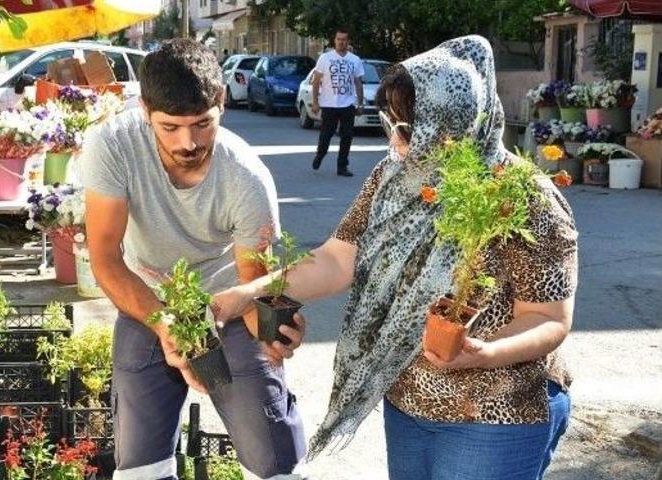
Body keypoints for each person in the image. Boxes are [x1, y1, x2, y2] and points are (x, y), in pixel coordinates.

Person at [213, 35, 577, 480]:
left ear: (451, 125)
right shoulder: (393, 177)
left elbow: (547, 317)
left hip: (497, 413)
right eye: (390, 123)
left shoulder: (523, 196)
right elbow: (336, 260)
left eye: (404, 128)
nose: (395, 141)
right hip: (408, 402)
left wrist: (485, 353)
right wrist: (250, 292)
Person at [79, 38, 308, 480]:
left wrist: (274, 334)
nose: (188, 142)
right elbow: (106, 259)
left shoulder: (247, 178)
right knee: (139, 464)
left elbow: (252, 280)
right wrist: (165, 325)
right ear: (145, 110)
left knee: (273, 457)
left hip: (228, 304)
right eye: (170, 127)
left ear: (221, 101)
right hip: (148, 297)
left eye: (203, 123)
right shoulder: (112, 146)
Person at [310, 28, 364, 177]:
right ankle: (320, 154)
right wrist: (315, 102)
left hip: (348, 104)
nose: (341, 42)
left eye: (344, 39)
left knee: (347, 136)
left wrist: (360, 104)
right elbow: (316, 81)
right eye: (338, 39)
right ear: (335, 41)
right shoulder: (325, 58)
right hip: (329, 104)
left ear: (348, 41)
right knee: (326, 135)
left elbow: (358, 83)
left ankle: (342, 166)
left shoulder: (355, 60)